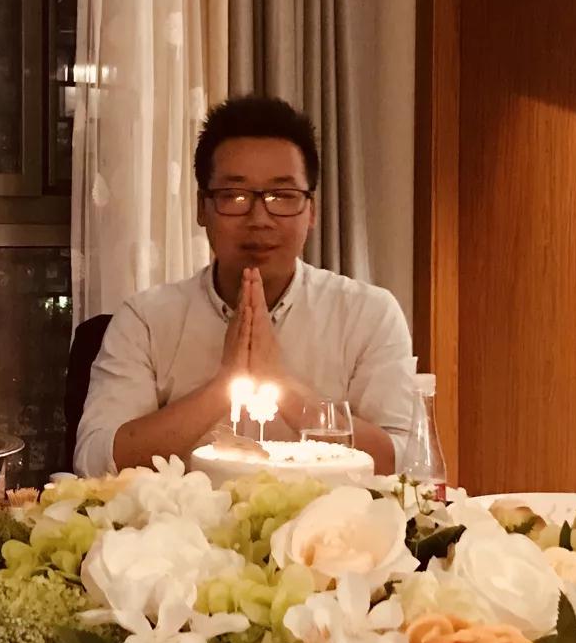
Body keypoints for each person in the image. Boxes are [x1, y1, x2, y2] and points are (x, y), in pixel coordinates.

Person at [74, 96, 415, 477]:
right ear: (202, 208)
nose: (259, 218)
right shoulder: (147, 320)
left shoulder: (367, 314)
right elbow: (95, 460)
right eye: (234, 196)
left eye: (282, 197)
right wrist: (224, 384)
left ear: (311, 211)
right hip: (187, 518)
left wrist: (282, 385)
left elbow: (403, 464)